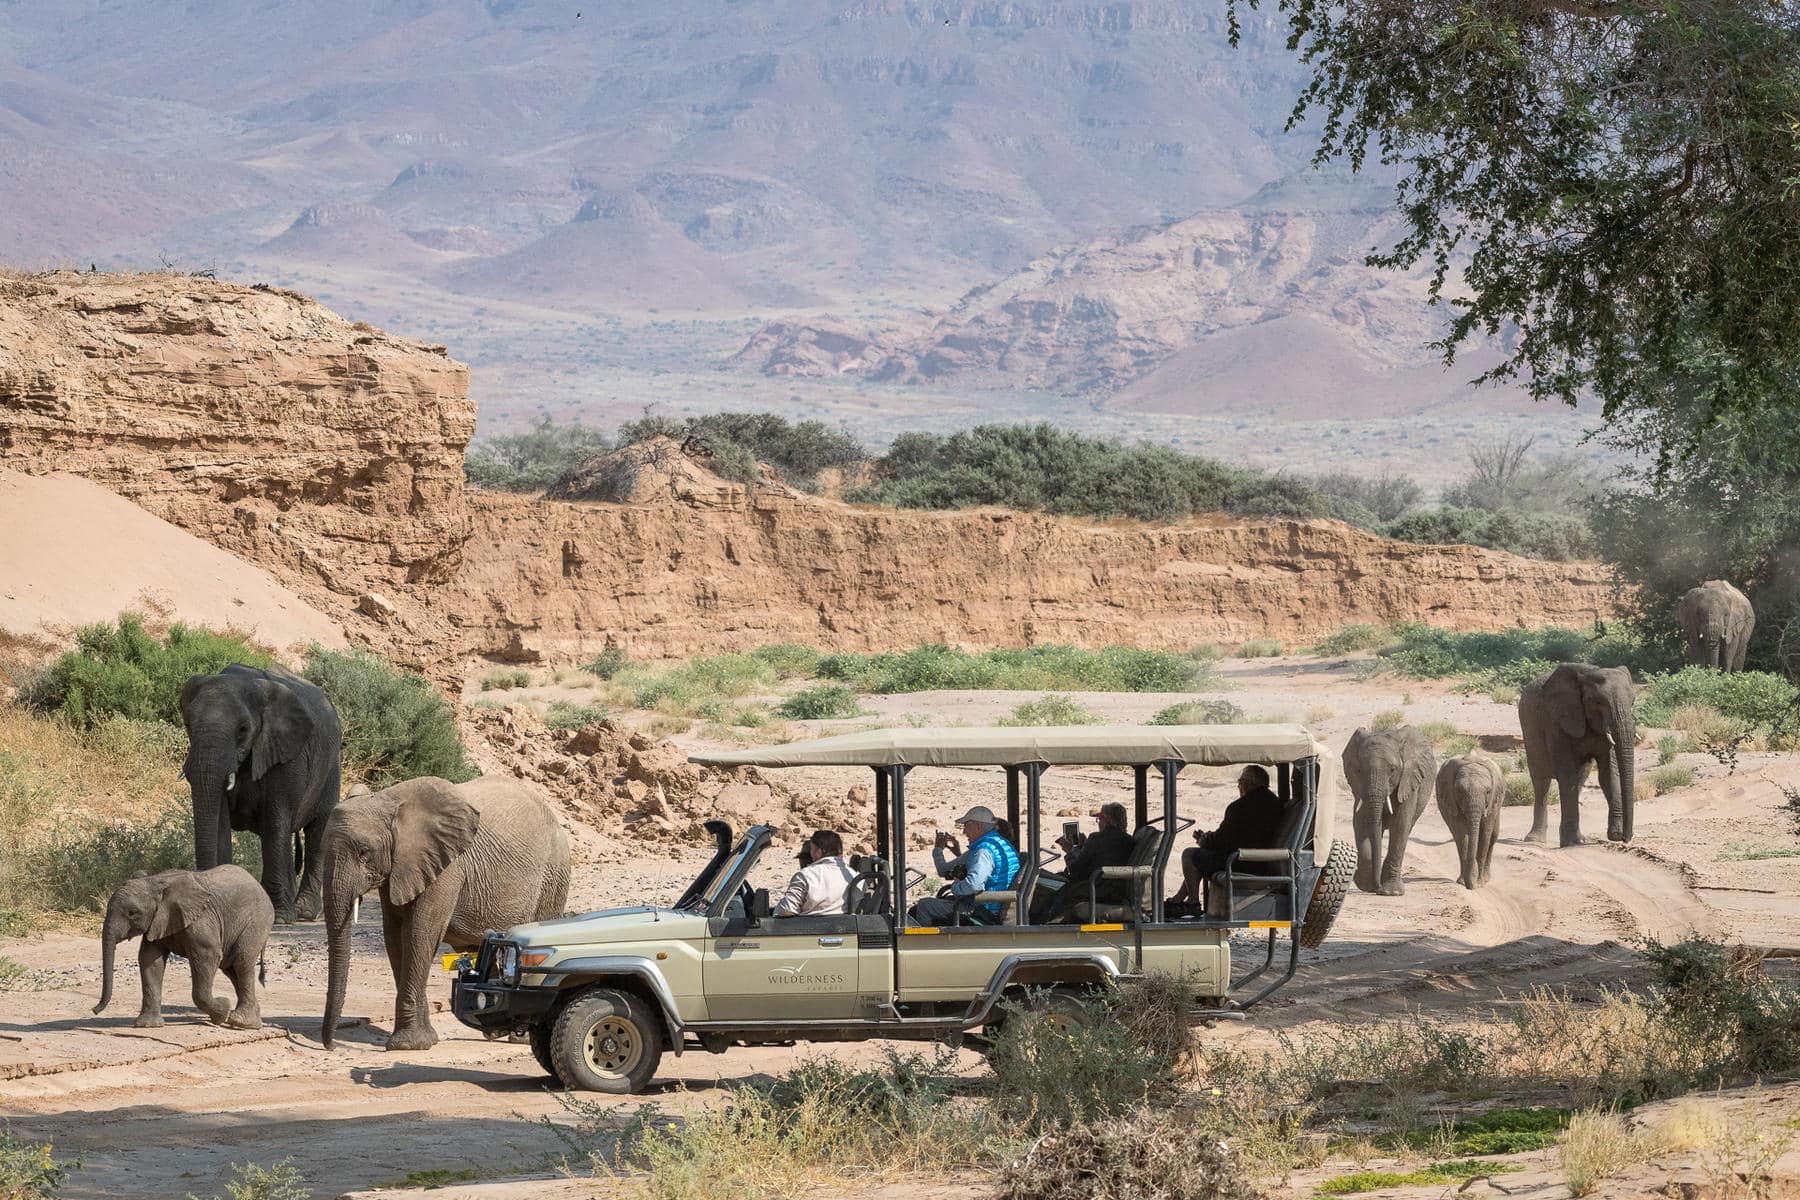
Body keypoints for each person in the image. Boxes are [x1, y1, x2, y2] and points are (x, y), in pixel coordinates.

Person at [1169, 765, 1285, 907]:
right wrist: (1209, 838)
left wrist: (1205, 840)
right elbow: (1231, 835)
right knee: (1200, 856)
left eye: (1240, 781)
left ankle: (1193, 902)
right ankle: (1179, 898)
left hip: (1241, 862)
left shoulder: (1240, 807)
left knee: (1189, 854)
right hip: (1259, 860)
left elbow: (1222, 841)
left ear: (1248, 783)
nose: (1238, 785)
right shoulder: (1274, 803)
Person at [911, 805, 1020, 925]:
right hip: (994, 904)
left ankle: (929, 943)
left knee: (924, 905)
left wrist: (955, 888)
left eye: (966, 826)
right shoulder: (1002, 844)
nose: (964, 831)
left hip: (985, 909)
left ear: (978, 827)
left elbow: (974, 885)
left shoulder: (984, 851)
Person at [1046, 801, 1136, 920]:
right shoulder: (1128, 840)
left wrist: (1070, 851)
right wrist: (1082, 847)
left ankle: (1050, 921)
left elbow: (1075, 871)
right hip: (1114, 890)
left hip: (1097, 889)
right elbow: (1103, 858)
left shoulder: (1097, 838)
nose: (1098, 823)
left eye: (1100, 819)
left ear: (1107, 820)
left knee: (1058, 889)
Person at [774, 829, 857, 917]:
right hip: (847, 927)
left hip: (809, 928)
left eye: (812, 850)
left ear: (818, 852)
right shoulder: (855, 876)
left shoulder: (806, 875)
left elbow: (785, 910)